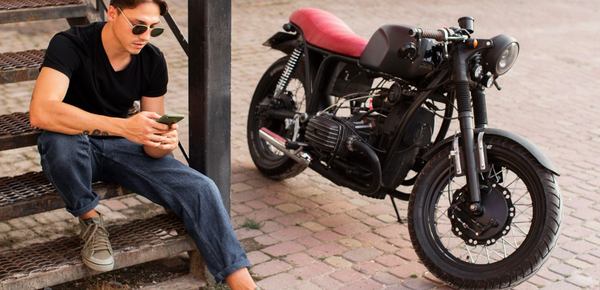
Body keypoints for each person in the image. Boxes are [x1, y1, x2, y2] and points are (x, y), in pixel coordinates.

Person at [29, 0, 257, 289]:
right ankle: (90, 218)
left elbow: (152, 146)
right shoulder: (70, 44)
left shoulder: (151, 59)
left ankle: (242, 283)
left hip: (119, 147)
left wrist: (163, 140)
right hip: (71, 138)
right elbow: (42, 112)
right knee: (59, 147)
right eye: (138, 26)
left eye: (154, 29)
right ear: (112, 12)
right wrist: (124, 126)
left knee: (201, 187)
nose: (145, 36)